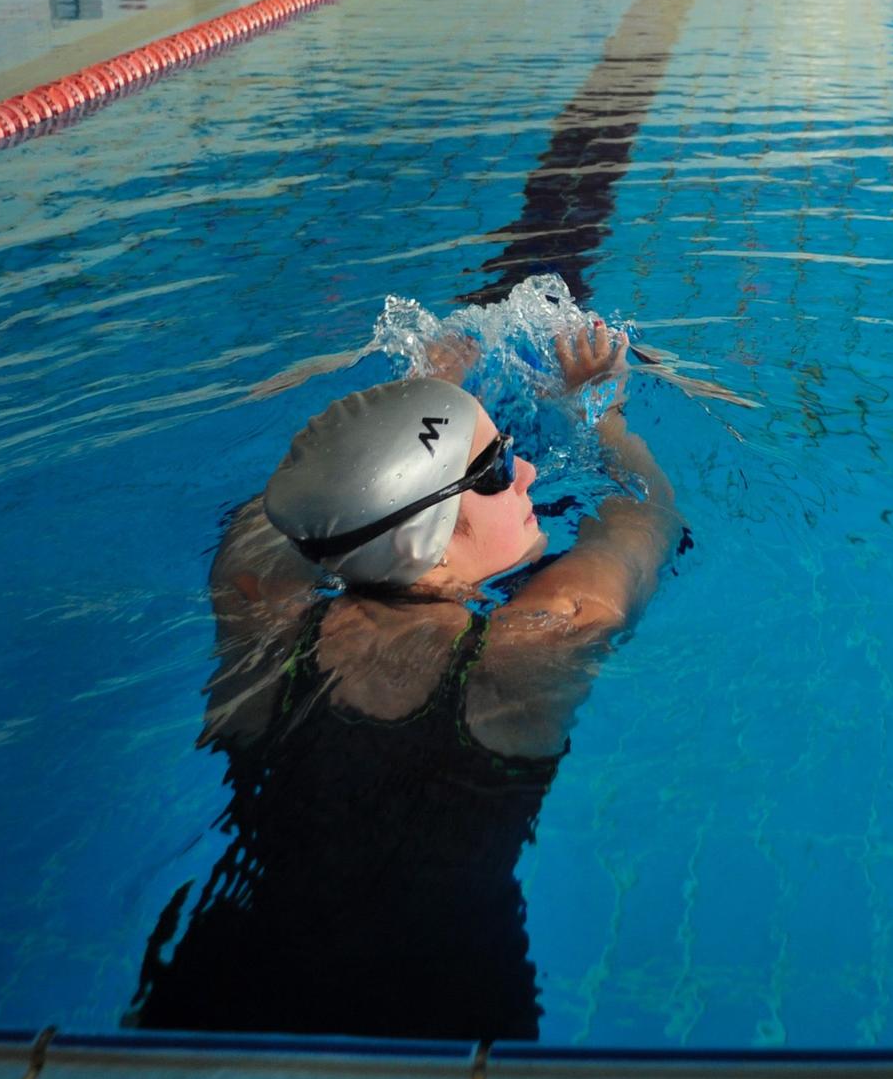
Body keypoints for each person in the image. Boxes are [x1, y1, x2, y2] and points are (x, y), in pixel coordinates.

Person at [127, 322, 680, 1041]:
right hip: (444, 1009)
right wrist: (604, 414)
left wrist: (431, 401)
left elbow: (284, 513)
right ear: (432, 538)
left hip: (222, 986)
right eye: (491, 469)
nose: (526, 475)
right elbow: (646, 514)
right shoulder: (532, 647)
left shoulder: (260, 611)